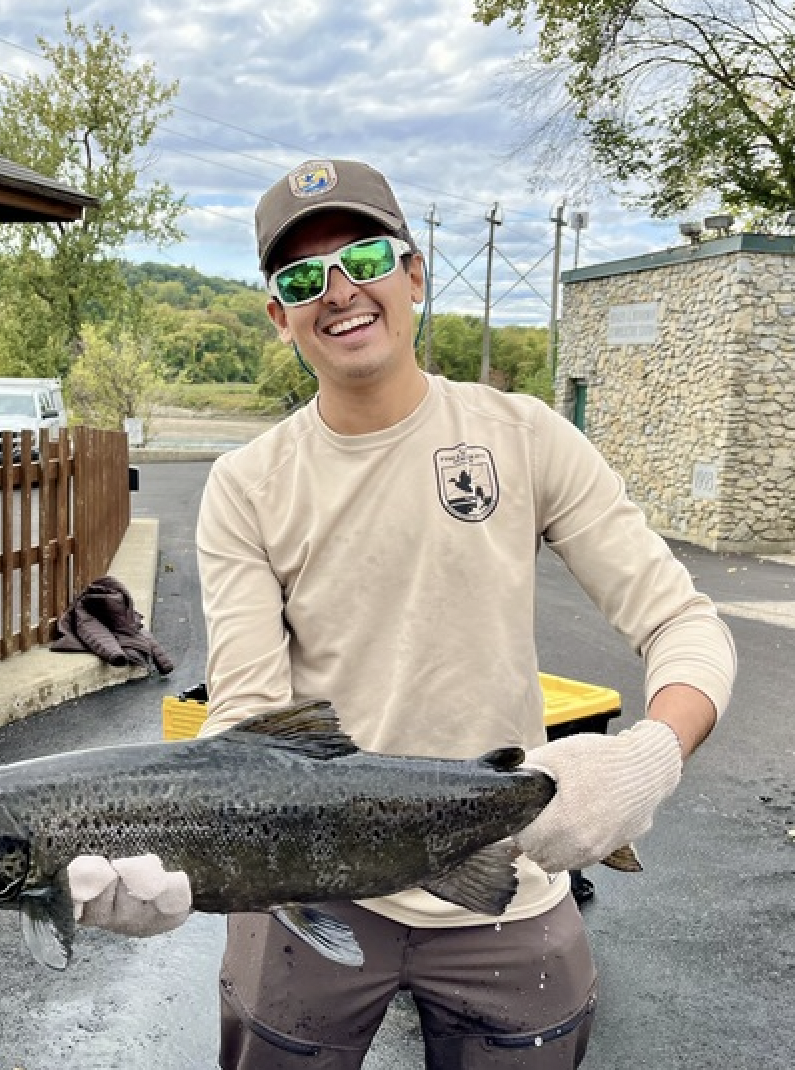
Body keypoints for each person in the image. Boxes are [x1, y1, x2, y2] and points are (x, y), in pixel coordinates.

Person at [67, 158, 737, 1069]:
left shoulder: (524, 435)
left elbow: (683, 623)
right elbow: (251, 718)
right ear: (279, 316)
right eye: (302, 278)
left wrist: (650, 756)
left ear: (414, 274)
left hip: (507, 872)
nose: (339, 291)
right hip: (304, 892)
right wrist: (189, 851)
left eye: (366, 257)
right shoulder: (248, 486)